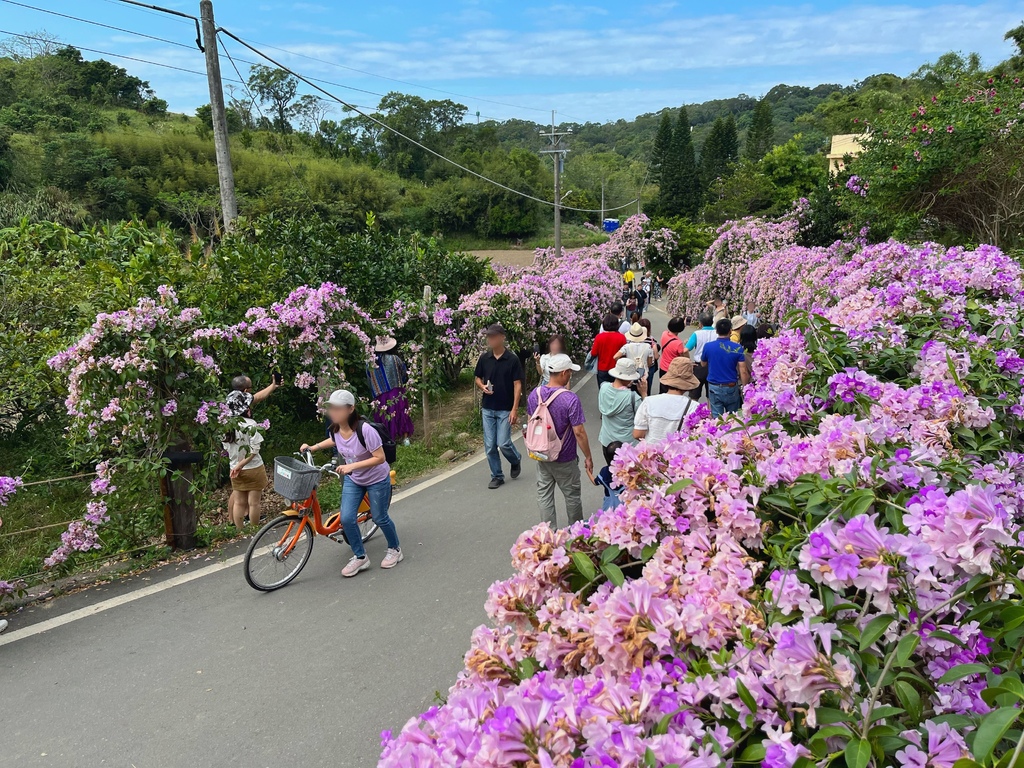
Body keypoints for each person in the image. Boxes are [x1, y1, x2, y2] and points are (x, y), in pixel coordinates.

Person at [300, 389, 402, 576]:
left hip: (376, 479)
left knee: (380, 517)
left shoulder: (365, 430)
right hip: (355, 479)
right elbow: (333, 440)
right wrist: (312, 447)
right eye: (331, 408)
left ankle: (395, 549)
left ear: (350, 409)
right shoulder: (336, 429)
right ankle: (360, 557)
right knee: (347, 519)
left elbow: (380, 458)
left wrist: (351, 466)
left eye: (338, 409)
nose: (333, 412)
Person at [525, 354, 594, 528]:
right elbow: (579, 432)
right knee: (571, 495)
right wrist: (588, 456)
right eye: (570, 371)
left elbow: (529, 421)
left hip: (541, 454)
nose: (570, 374)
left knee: (544, 495)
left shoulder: (535, 394)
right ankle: (576, 532)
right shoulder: (570, 399)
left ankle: (548, 535)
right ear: (563, 372)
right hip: (565, 456)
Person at [474, 324, 525, 489]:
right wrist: (482, 387)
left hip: (505, 408)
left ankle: (515, 459)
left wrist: (515, 409)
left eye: (494, 336)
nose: (491, 340)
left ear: (502, 337)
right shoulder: (484, 358)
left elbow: (518, 385)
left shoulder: (512, 359)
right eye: (489, 337)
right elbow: (477, 378)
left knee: (503, 442)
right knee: (490, 446)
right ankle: (497, 476)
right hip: (488, 407)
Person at [222, 390, 268, 529]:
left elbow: (226, 447)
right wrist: (242, 465)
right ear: (246, 408)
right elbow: (254, 450)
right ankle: (254, 531)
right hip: (254, 468)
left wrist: (237, 465)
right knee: (254, 503)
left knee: (239, 502)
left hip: (234, 469)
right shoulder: (251, 424)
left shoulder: (226, 426)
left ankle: (239, 531)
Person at [633, 357, 701, 442]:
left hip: (651, 453)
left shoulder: (649, 401)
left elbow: (637, 434)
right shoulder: (694, 407)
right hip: (679, 453)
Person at [367, 337, 414, 444]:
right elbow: (403, 372)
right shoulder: (394, 358)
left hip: (380, 395)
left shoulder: (369, 363)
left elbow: (369, 379)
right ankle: (405, 438)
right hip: (396, 391)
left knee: (384, 416)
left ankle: (388, 440)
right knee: (402, 413)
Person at [703, 318, 750, 417]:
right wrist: (745, 387)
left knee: (717, 418)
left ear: (716, 331)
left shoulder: (708, 346)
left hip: (714, 386)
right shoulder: (737, 348)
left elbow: (703, 364)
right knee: (733, 417)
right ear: (730, 331)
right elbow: (743, 370)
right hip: (731, 386)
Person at [599, 358, 645, 448]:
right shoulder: (633, 397)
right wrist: (644, 393)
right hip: (627, 444)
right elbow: (645, 416)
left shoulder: (603, 387)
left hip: (607, 441)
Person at [590, 314, 628, 389]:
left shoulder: (599, 337)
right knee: (617, 390)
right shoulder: (622, 337)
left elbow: (593, 353)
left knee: (603, 391)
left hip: (602, 369)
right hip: (617, 369)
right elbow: (624, 354)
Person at [684, 313, 716, 401]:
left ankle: (693, 413)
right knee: (711, 396)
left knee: (694, 395)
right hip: (713, 367)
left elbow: (686, 350)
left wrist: (689, 361)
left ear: (700, 323)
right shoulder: (717, 333)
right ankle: (710, 414)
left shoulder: (697, 334)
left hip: (699, 366)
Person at [615, 323, 655, 387]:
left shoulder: (626, 347)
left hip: (630, 374)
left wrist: (625, 363)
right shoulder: (648, 347)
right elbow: (650, 363)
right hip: (643, 375)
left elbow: (615, 356)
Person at [589, 440, 624, 511]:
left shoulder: (605, 471)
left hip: (609, 505)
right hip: (625, 504)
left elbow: (595, 482)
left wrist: (588, 471)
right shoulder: (629, 471)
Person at [658, 317, 688, 394]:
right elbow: (684, 357)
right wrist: (686, 346)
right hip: (673, 370)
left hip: (663, 367)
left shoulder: (664, 334)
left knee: (663, 390)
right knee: (672, 391)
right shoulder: (679, 343)